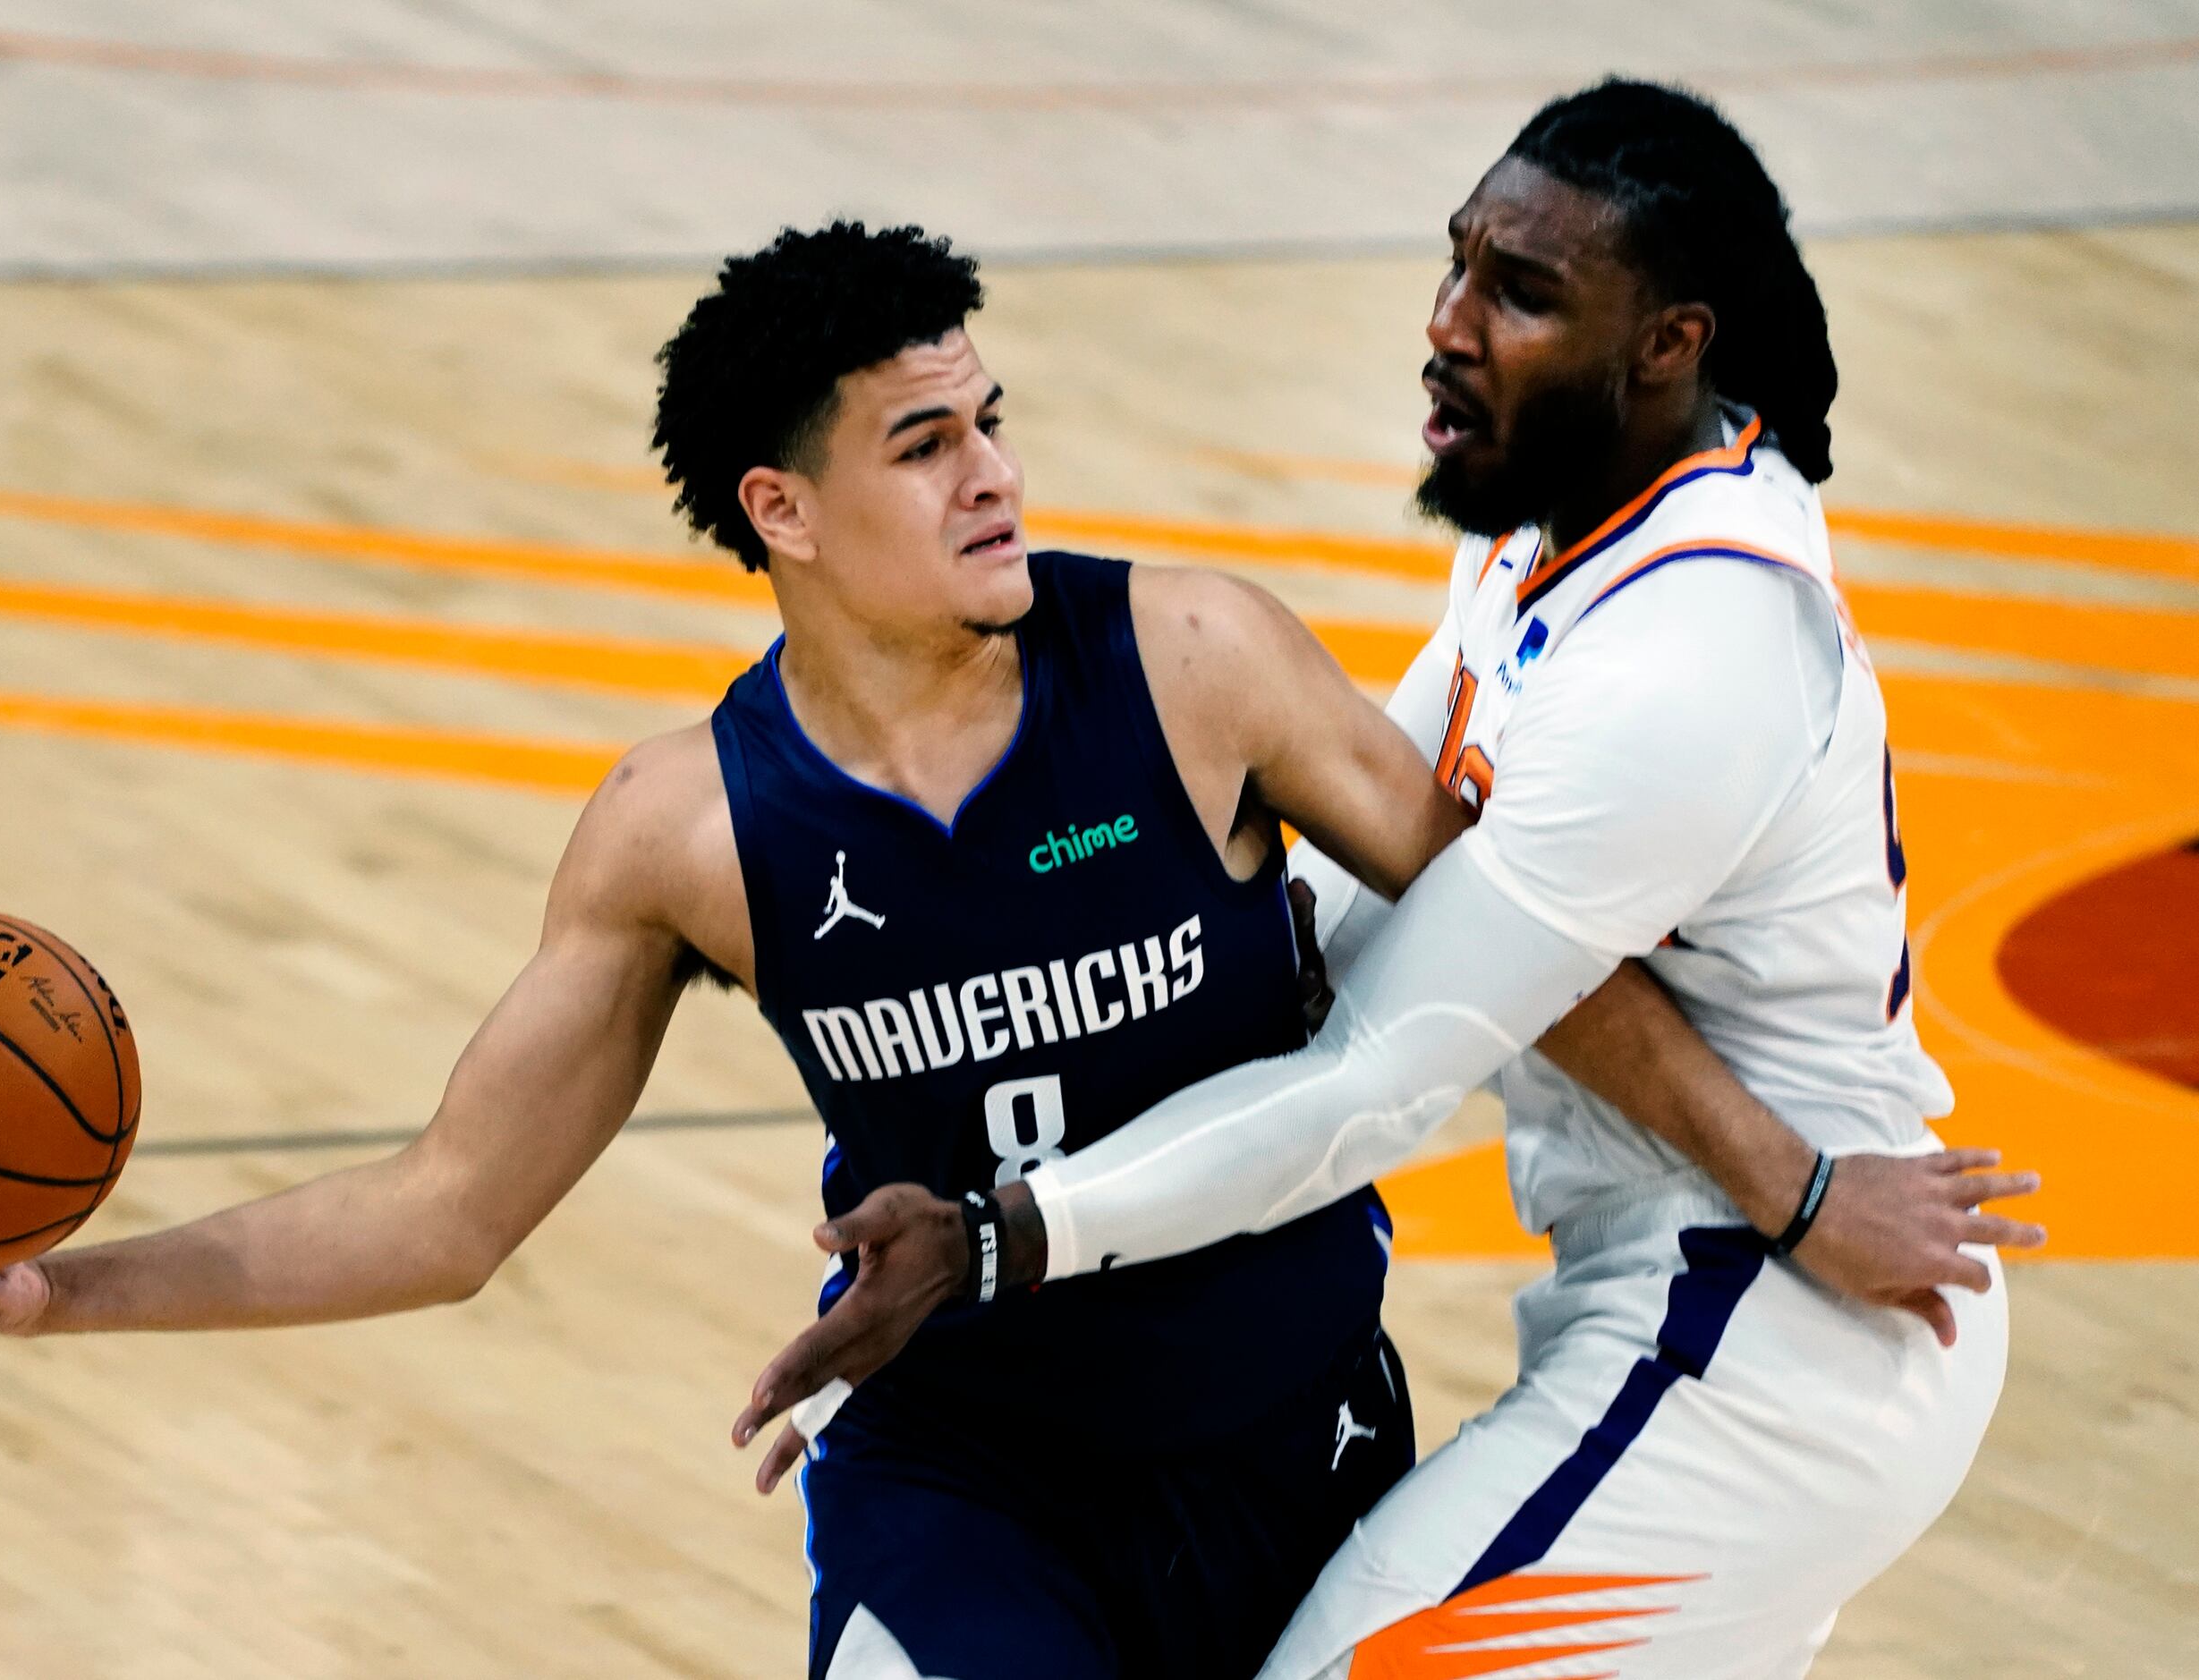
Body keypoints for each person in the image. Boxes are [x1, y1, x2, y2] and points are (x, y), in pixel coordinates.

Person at [0, 220, 2014, 1680]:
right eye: (923, 442)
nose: (993, 475)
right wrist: (57, 1296)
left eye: (992, 419)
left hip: (1286, 1441)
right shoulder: (686, 834)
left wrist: (1791, 1186)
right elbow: (448, 1210)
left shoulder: (1193, 659)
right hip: (961, 1488)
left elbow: (1529, 954)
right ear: (780, 513)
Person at [732, 87, 2045, 1680]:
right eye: (1459, 263)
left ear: (1666, 342)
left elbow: (1365, 1077)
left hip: (1766, 1339)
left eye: (1522, 293)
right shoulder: (1548, 540)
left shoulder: (1692, 656)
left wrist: (999, 1239)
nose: (1448, 324)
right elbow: (1345, 917)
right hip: (1689, 1282)